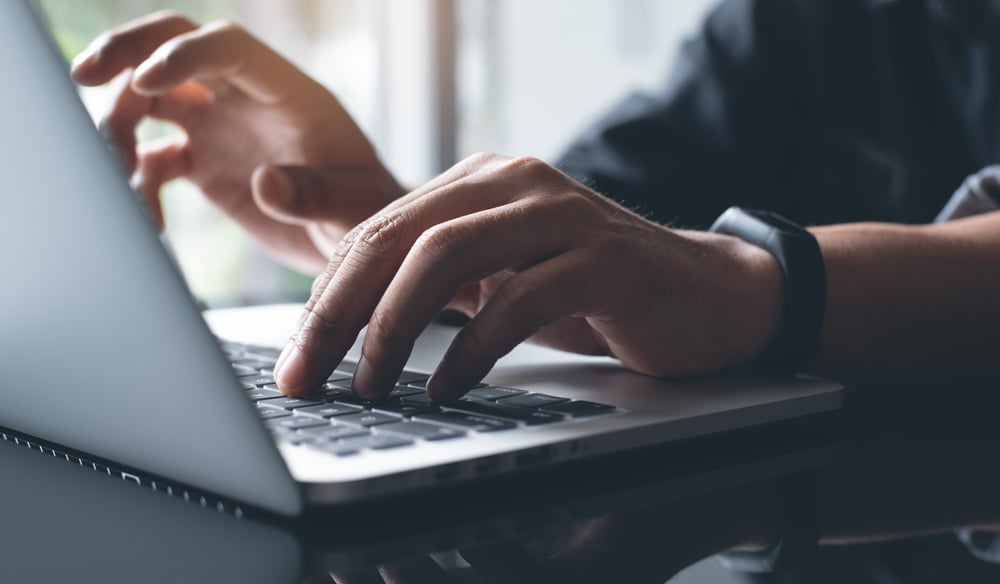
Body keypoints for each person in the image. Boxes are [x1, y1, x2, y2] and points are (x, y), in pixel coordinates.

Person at [70, 0, 1000, 579]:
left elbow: (683, 274)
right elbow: (604, 235)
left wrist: (749, 284)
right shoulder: (794, 24)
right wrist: (382, 218)